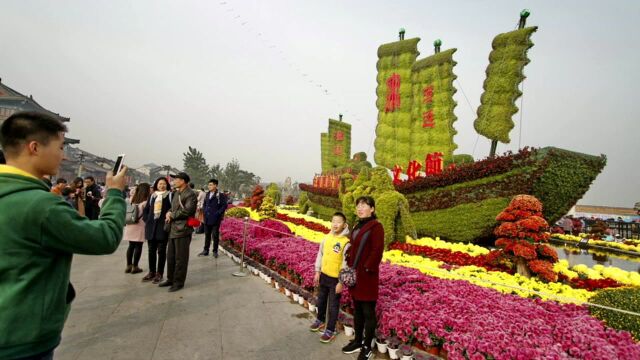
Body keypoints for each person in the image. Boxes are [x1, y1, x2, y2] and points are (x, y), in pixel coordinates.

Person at [0, 111, 128, 360]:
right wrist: (114, 193)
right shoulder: (41, 205)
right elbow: (105, 237)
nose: (63, 155)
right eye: (60, 147)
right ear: (34, 147)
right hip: (21, 337)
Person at [341, 196, 384, 360]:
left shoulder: (376, 226)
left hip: (367, 276)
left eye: (364, 205)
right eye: (358, 205)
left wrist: (367, 268)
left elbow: (377, 250)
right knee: (357, 310)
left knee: (368, 311)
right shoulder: (357, 225)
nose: (360, 208)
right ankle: (358, 341)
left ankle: (367, 347)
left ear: (372, 209)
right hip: (355, 274)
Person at [309, 212, 350, 343]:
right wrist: (317, 271)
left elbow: (345, 264)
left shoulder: (346, 243)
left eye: (338, 222)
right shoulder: (326, 238)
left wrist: (341, 282)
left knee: (333, 306)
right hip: (324, 275)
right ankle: (320, 320)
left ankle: (330, 330)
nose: (335, 224)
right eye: (333, 221)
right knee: (321, 300)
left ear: (344, 225)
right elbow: (320, 255)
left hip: (335, 280)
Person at [159, 173, 197, 292]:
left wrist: (172, 215)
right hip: (173, 229)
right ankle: (170, 279)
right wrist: (168, 212)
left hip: (183, 229)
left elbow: (187, 211)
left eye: (176, 179)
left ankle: (179, 282)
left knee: (181, 258)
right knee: (170, 257)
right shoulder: (176, 192)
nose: (174, 181)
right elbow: (173, 208)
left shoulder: (191, 194)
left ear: (183, 181)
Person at [142, 177, 172, 283]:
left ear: (167, 185)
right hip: (151, 227)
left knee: (161, 251)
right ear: (156, 185)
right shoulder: (152, 195)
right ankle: (151, 272)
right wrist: (147, 219)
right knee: (151, 251)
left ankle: (159, 273)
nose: (162, 186)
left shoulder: (169, 195)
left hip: (162, 227)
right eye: (160, 184)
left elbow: (172, 208)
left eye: (164, 184)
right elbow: (146, 210)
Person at [123, 183, 151, 274]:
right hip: (140, 225)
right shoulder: (146, 202)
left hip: (130, 223)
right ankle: (135, 266)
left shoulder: (131, 199)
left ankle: (128, 265)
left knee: (131, 246)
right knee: (138, 246)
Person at [198, 179, 228, 258]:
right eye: (209, 185)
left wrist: (218, 213)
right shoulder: (207, 194)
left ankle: (215, 251)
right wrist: (204, 210)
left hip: (215, 218)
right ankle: (206, 250)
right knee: (207, 235)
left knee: (215, 235)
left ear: (215, 185)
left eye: (211, 185)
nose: (209, 186)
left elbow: (224, 205)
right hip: (207, 218)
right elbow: (204, 203)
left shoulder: (220, 195)